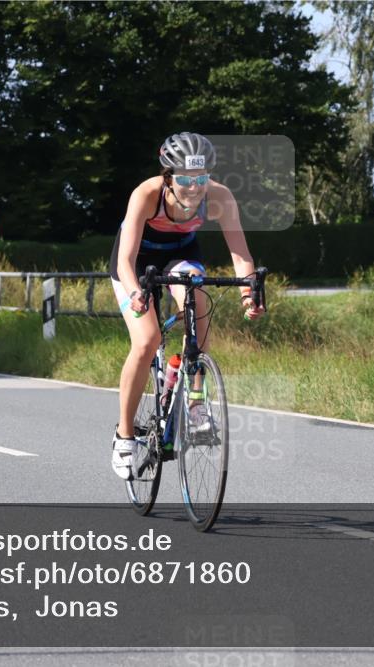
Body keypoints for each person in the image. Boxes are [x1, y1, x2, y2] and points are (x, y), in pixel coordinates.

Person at [108, 132, 265, 480]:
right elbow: (124, 260)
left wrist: (247, 295)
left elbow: (240, 254)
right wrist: (135, 292)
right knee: (147, 340)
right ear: (168, 177)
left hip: (180, 256)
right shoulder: (146, 194)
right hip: (136, 263)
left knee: (197, 298)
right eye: (185, 180)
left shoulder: (220, 196)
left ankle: (195, 403)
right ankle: (124, 436)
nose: (194, 188)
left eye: (201, 178)